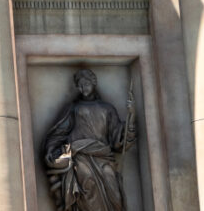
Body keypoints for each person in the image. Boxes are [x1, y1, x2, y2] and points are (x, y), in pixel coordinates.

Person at [42, 69, 135, 211]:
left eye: (86, 84)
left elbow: (118, 139)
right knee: (87, 181)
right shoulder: (73, 109)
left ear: (93, 83)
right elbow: (59, 132)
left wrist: (132, 116)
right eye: (80, 85)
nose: (83, 88)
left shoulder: (107, 109)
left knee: (113, 187)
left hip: (103, 156)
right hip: (80, 155)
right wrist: (52, 150)